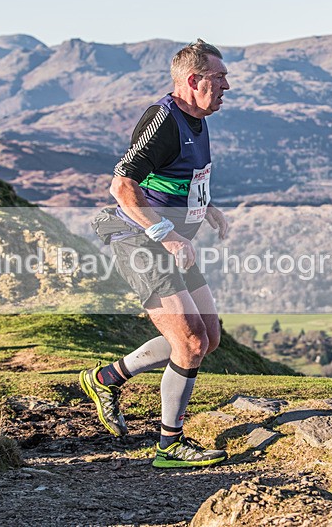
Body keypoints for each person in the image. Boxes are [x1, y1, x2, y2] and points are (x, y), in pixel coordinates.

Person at [80, 39, 231, 469]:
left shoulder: (197, 118)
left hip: (170, 241)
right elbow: (122, 186)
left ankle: (106, 378)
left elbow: (176, 177)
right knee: (190, 341)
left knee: (210, 338)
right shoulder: (164, 119)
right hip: (140, 241)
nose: (226, 86)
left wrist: (207, 208)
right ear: (193, 79)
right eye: (219, 78)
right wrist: (166, 234)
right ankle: (170, 446)